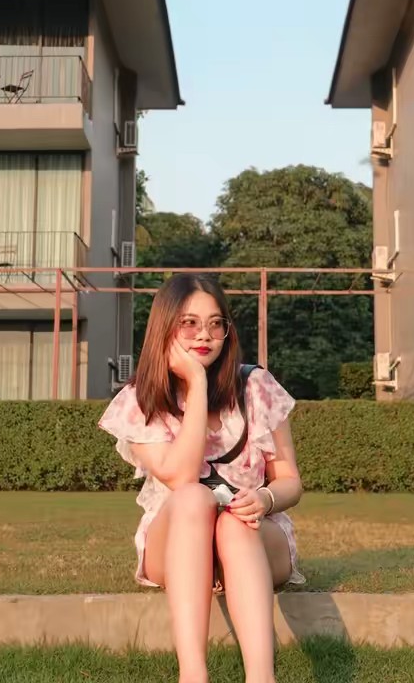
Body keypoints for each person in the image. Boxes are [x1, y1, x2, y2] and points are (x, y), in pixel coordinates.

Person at [99, 273, 304, 683]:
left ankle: (261, 678)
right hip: (177, 540)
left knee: (234, 522)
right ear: (165, 327)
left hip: (253, 539)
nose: (204, 335)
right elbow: (181, 477)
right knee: (193, 497)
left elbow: (290, 482)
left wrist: (264, 499)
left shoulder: (254, 386)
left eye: (215, 323)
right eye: (189, 323)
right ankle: (193, 675)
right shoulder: (140, 400)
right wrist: (196, 383)